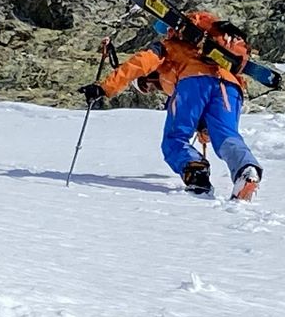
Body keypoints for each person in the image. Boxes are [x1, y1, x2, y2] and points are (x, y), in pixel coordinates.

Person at [79, 16, 263, 200]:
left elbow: (139, 63)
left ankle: (196, 174)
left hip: (192, 80)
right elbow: (211, 102)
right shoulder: (206, 53)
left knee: (175, 139)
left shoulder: (168, 47)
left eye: (144, 85)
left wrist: (104, 88)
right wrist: (204, 126)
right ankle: (246, 169)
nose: (149, 88)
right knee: (227, 136)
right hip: (230, 86)